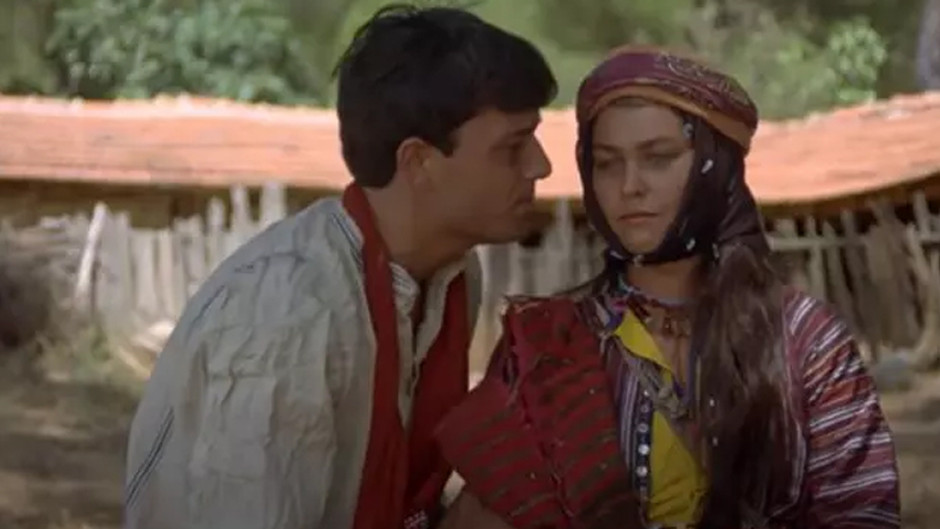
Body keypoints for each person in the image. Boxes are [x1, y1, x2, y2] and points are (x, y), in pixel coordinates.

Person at [122, 5, 556, 529]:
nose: (541, 165)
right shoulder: (289, 313)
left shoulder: (453, 277)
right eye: (512, 147)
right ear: (419, 162)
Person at [435, 47, 900, 529]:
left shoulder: (804, 342)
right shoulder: (547, 346)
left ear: (714, 165)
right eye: (607, 163)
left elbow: (863, 513)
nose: (629, 186)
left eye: (658, 158)